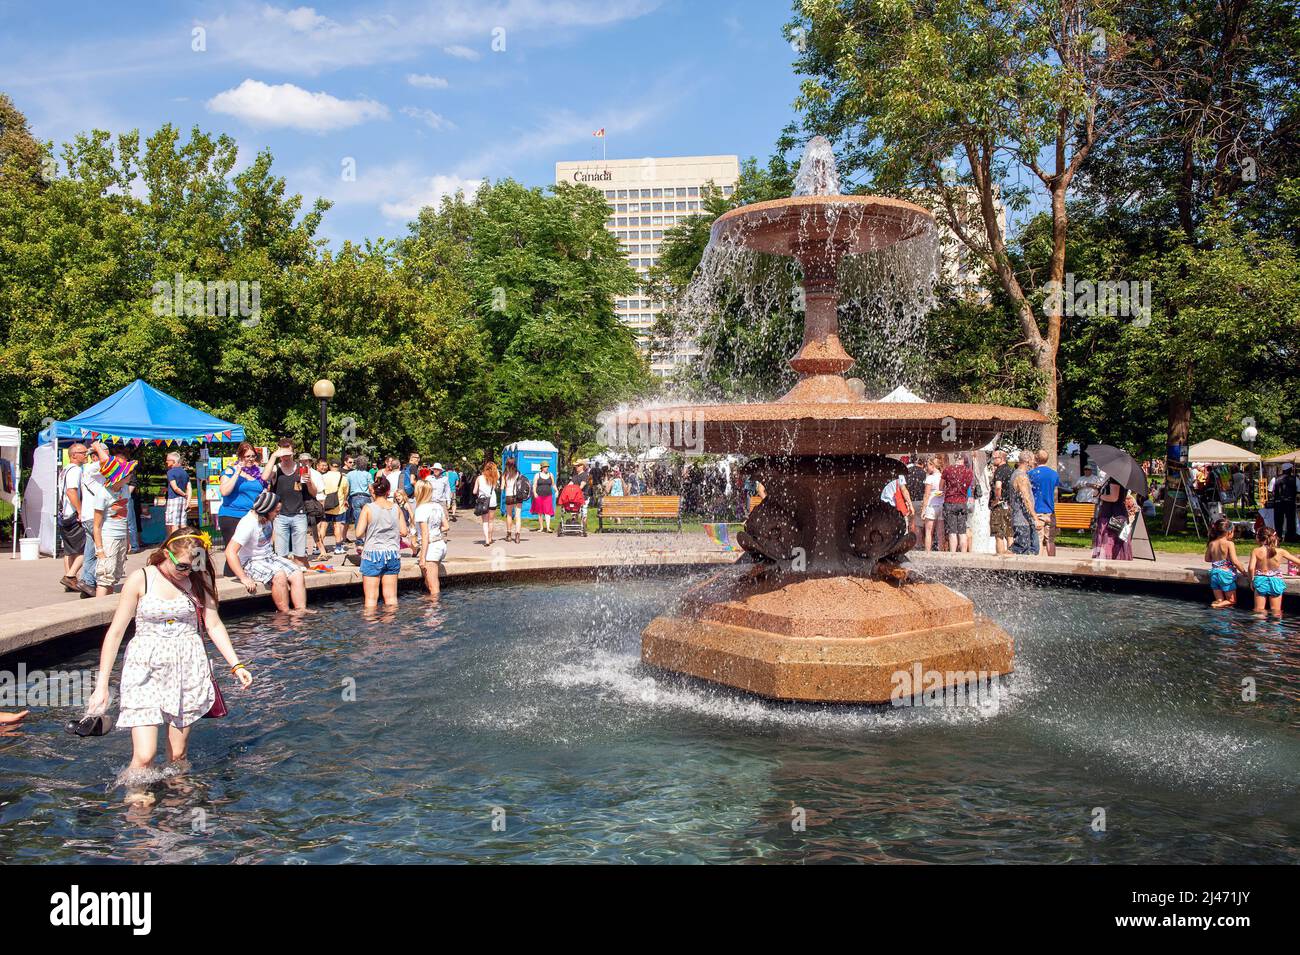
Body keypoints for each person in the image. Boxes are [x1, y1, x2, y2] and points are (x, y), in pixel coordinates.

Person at [85, 528, 254, 806]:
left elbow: (213, 624)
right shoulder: (141, 579)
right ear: (166, 553)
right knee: (145, 754)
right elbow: (115, 632)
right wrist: (102, 685)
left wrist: (236, 665)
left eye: (194, 565)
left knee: (177, 755)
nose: (188, 572)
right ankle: (136, 804)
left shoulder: (199, 577)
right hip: (144, 669)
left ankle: (178, 807)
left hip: (188, 667)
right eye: (183, 566)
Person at [224, 490, 307, 611]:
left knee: (297, 572)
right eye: (276, 511)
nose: (278, 514)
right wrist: (243, 578)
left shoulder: (266, 518)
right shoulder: (248, 524)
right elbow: (230, 552)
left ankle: (301, 610)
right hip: (250, 562)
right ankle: (285, 613)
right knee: (279, 575)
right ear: (266, 510)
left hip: (269, 558)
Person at [354, 475, 408, 609]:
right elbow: (404, 532)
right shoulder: (396, 508)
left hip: (372, 554)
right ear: (388, 492)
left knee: (371, 600)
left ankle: (370, 628)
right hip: (392, 554)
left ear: (373, 491)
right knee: (391, 599)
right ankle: (391, 628)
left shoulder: (368, 508)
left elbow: (358, 533)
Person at [217, 442, 267, 578]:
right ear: (240, 456)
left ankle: (247, 576)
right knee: (233, 551)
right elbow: (224, 491)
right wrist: (237, 473)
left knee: (249, 550)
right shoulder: (230, 470)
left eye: (253, 456)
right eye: (247, 456)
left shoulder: (257, 474)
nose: (250, 459)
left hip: (251, 517)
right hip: (231, 515)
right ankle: (231, 579)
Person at [91, 454, 137, 596]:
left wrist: (128, 538)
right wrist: (99, 549)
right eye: (127, 473)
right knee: (105, 577)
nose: (130, 475)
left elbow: (125, 518)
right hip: (108, 538)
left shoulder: (125, 490)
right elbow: (97, 525)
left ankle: (106, 611)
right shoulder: (102, 494)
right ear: (119, 477)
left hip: (121, 537)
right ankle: (98, 610)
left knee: (114, 576)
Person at [268, 445, 309, 569]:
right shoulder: (276, 469)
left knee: (300, 553)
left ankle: (298, 575)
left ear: (293, 453)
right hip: (281, 515)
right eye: (282, 454)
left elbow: (312, 491)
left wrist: (310, 482)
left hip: (299, 513)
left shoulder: (302, 468)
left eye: (288, 453)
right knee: (281, 553)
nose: (285, 457)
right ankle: (284, 575)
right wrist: (273, 456)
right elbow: (265, 477)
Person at [412, 480, 449, 601]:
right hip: (440, 544)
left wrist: (422, 557)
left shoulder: (421, 509)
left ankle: (434, 615)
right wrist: (435, 530)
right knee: (429, 582)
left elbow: (425, 534)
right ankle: (430, 606)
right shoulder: (437, 506)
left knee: (433, 587)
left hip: (431, 547)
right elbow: (446, 526)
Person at [1249, 527, 1298, 616]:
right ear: (1275, 537)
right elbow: (1298, 562)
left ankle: (1259, 629)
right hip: (1276, 581)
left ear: (1258, 538)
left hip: (1260, 580)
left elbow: (1251, 568)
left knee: (1259, 610)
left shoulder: (1256, 551)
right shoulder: (1281, 551)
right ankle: (1275, 628)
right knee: (1276, 610)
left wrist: (1251, 580)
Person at [58, 442, 88, 591]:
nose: (86, 455)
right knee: (86, 548)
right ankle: (70, 576)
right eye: (83, 453)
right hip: (72, 515)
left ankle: (70, 580)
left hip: (64, 514)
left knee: (70, 550)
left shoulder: (65, 469)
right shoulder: (75, 470)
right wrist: (80, 511)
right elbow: (71, 491)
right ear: (74, 455)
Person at [1205, 517, 1247, 608]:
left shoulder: (1212, 543)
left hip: (1214, 574)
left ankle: (1218, 617)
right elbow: (1235, 561)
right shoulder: (1229, 544)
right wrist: (1244, 572)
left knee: (1219, 600)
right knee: (1231, 601)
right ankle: (1215, 606)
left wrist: (1218, 561)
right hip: (1225, 575)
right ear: (1229, 532)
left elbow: (1207, 559)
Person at [1092, 476, 1137, 560]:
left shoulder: (1115, 479)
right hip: (1117, 514)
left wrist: (1099, 496)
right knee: (1116, 542)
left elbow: (1114, 497)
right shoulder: (1120, 479)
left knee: (1110, 541)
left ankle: (1108, 565)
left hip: (1113, 515)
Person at [1028, 450, 1059, 556]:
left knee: (1039, 540)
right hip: (1050, 511)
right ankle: (1052, 563)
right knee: (1050, 540)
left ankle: (1039, 564)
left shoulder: (1031, 473)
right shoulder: (1054, 474)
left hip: (1037, 510)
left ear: (1036, 458)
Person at [940, 453, 973, 553]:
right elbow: (968, 487)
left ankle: (953, 555)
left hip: (950, 502)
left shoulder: (948, 470)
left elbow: (940, 487)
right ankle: (963, 555)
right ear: (963, 459)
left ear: (954, 458)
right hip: (962, 503)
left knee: (952, 532)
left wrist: (948, 489)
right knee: (962, 532)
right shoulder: (968, 472)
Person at [1010, 451, 1039, 555]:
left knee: (1031, 550)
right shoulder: (1021, 476)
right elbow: (1026, 499)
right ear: (1027, 461)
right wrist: (1035, 518)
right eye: (1033, 460)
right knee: (1020, 550)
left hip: (1024, 520)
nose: (1034, 462)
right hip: (1022, 521)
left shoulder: (1018, 474)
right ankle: (1000, 566)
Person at [320, 459, 349, 555]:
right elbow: (346, 492)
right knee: (337, 525)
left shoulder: (323, 477)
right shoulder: (343, 478)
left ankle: (318, 547)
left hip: (325, 504)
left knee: (323, 525)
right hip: (338, 506)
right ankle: (338, 547)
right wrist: (344, 500)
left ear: (330, 466)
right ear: (340, 466)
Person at [988, 449, 1014, 555]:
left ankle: (1000, 558)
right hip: (1010, 505)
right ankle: (1011, 558)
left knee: (999, 534)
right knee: (1009, 534)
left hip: (999, 505)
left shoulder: (999, 470)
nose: (993, 460)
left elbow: (998, 487)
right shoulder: (1011, 470)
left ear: (1001, 458)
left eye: (995, 458)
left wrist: (996, 500)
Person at [345, 455, 374, 547]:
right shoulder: (368, 474)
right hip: (366, 497)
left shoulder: (350, 474)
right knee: (368, 519)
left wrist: (345, 499)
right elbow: (370, 488)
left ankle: (359, 539)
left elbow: (347, 488)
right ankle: (368, 537)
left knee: (358, 519)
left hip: (354, 498)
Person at [501, 457, 527, 544]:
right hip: (518, 496)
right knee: (518, 516)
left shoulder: (505, 474)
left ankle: (509, 535)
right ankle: (517, 537)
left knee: (509, 515)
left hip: (509, 496)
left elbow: (502, 487)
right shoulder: (518, 473)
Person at [164, 451, 192, 534]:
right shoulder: (185, 473)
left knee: (173, 523)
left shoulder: (170, 472)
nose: (166, 462)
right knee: (183, 523)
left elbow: (175, 488)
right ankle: (185, 542)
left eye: (167, 460)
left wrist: (184, 494)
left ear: (173, 461)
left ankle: (174, 544)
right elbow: (189, 488)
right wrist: (188, 501)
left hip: (173, 499)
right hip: (183, 501)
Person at [473, 460, 499, 547]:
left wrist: (479, 493)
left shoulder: (479, 478)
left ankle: (487, 539)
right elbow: (496, 488)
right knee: (491, 521)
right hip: (492, 500)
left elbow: (474, 491)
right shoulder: (494, 478)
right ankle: (490, 538)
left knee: (485, 522)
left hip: (483, 501)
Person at [1269, 463, 1297, 542]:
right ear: (1290, 469)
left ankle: (1278, 537)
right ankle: (1290, 537)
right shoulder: (1295, 479)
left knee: (1278, 521)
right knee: (1291, 521)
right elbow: (1298, 490)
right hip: (1290, 502)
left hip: (1278, 502)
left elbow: (1270, 490)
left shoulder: (1275, 479)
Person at [920, 456, 943, 551]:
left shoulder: (930, 478)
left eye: (928, 465)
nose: (926, 468)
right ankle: (942, 552)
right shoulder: (943, 476)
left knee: (929, 531)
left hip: (931, 506)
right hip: (941, 504)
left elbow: (926, 495)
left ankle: (928, 552)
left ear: (932, 465)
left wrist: (923, 510)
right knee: (940, 532)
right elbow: (942, 491)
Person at [532, 461, 556, 533]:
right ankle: (541, 527)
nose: (546, 468)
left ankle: (548, 528)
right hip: (539, 495)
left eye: (547, 467)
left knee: (547, 511)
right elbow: (534, 485)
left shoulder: (550, 474)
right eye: (545, 467)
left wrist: (556, 490)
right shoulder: (537, 475)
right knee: (540, 512)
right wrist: (535, 493)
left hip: (548, 495)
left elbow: (553, 484)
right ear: (542, 468)